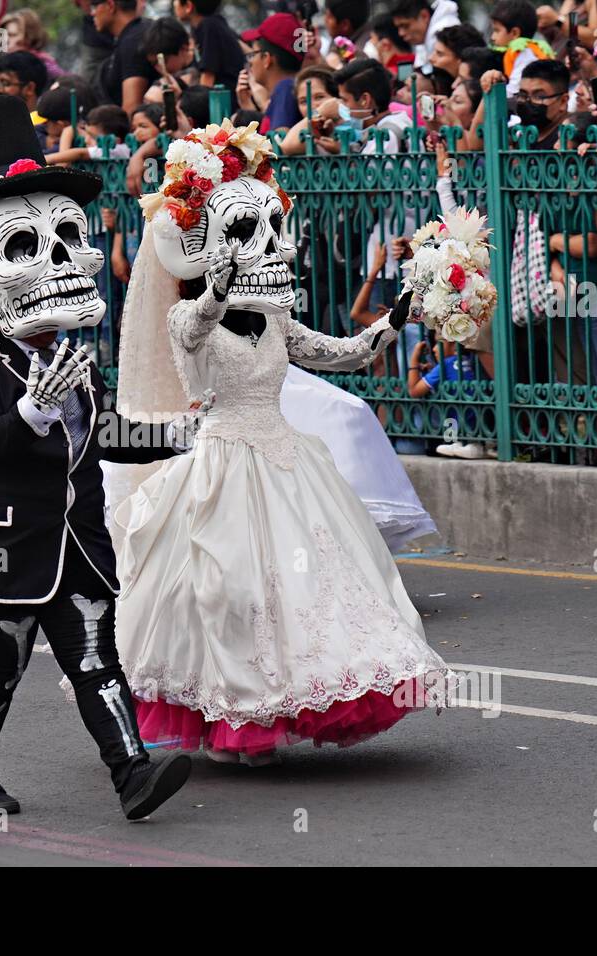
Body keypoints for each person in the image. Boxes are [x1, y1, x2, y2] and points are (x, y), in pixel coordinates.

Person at [0, 96, 198, 820]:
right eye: (26, 247)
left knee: (96, 662)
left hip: (78, 548)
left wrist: (181, 436)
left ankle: (133, 773)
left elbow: (100, 440)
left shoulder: (75, 361)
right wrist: (29, 411)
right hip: (4, 546)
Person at [113, 119, 446, 761]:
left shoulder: (275, 319)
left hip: (288, 463)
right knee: (227, 590)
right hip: (223, 466)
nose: (269, 248)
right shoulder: (191, 320)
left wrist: (397, 315)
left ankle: (286, 703)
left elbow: (344, 353)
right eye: (244, 233)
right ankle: (229, 717)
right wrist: (219, 277)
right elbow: (202, 316)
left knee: (312, 588)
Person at [239, 12, 305, 133]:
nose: (251, 62)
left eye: (253, 54)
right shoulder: (290, 87)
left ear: (267, 59)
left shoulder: (284, 89)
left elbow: (278, 143)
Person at [95, 0, 156, 115]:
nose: (92, 13)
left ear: (110, 5)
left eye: (94, 6)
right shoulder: (133, 34)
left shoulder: (133, 41)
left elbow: (132, 108)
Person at [173, 0, 244, 89]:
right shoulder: (210, 24)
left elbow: (208, 77)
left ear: (188, 6)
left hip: (225, 98)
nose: (174, 4)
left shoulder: (209, 27)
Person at [391, 0, 462, 69]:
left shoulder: (445, 33)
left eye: (405, 26)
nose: (401, 33)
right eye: (398, 28)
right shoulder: (425, 38)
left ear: (424, 16)